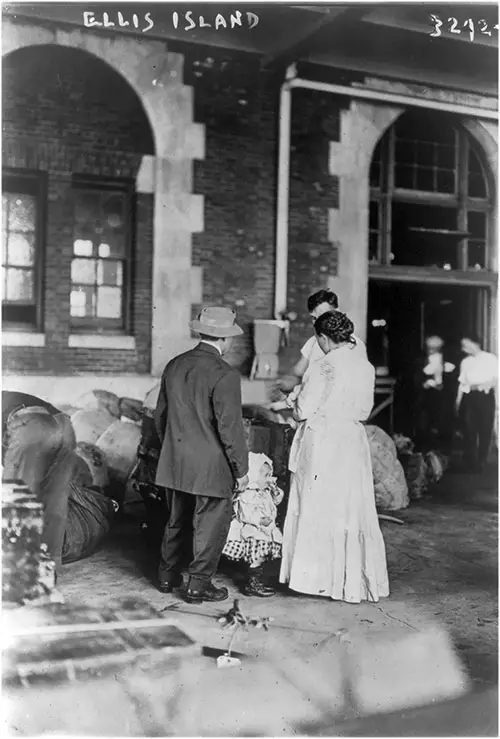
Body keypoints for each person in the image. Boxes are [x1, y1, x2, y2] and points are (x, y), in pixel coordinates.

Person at [270, 311, 389, 603]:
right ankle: (349, 581)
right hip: (351, 438)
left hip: (324, 440)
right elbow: (363, 407)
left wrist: (291, 404)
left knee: (317, 503)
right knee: (349, 505)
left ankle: (315, 580)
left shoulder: (323, 365)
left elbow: (303, 410)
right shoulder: (365, 366)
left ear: (322, 338)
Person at [155, 306, 250, 604]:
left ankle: (167, 576)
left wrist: (173, 449)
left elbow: (161, 417)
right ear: (227, 339)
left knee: (176, 519)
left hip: (174, 461)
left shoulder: (174, 365)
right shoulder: (225, 374)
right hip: (211, 466)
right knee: (210, 525)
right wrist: (241, 470)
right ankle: (198, 585)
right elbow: (231, 429)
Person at [2, 391, 77, 571]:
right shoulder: (7, 396)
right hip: (65, 428)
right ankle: (49, 569)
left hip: (31, 425)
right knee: (55, 501)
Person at [275, 289, 367, 393]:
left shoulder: (354, 345)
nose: (319, 323)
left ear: (337, 312)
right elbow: (297, 373)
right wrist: (281, 384)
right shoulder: (313, 342)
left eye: (323, 315)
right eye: (314, 318)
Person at [222, 452, 283, 597]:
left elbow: (276, 501)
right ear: (254, 476)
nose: (269, 479)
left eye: (270, 475)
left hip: (265, 532)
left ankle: (257, 581)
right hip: (253, 532)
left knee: (262, 558)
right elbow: (245, 513)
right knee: (256, 559)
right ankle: (252, 584)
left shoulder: (266, 491)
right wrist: (259, 520)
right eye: (265, 475)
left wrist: (276, 492)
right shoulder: (247, 494)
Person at [456, 333, 497, 472]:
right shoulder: (465, 362)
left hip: (485, 397)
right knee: (469, 429)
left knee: (485, 429)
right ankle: (471, 461)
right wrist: (458, 401)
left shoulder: (490, 359)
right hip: (470, 397)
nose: (464, 348)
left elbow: (495, 379)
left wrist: (480, 386)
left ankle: (482, 460)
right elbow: (462, 383)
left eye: (465, 345)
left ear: (475, 344)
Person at [414, 334, 457, 454]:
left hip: (444, 399)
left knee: (444, 426)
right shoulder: (420, 361)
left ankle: (443, 454)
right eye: (430, 347)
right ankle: (427, 453)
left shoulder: (448, 361)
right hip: (426, 398)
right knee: (425, 426)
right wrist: (425, 383)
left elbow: (454, 380)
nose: (432, 350)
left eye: (435, 347)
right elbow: (416, 379)